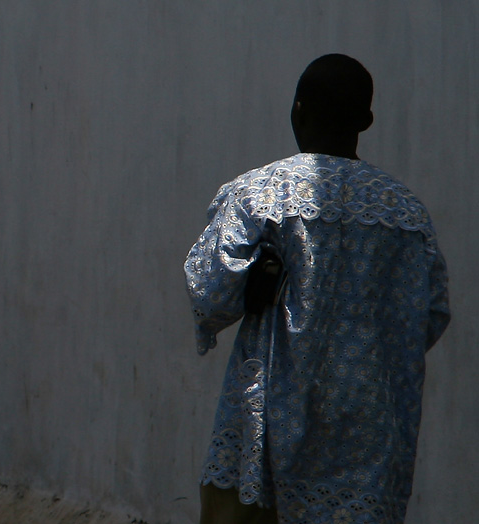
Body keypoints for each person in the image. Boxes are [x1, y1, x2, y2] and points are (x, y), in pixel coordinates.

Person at [184, 54, 450, 524]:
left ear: (298, 109)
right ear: (366, 121)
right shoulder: (407, 214)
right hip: (368, 435)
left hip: (269, 422)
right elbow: (429, 315)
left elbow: (211, 293)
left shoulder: (262, 194)